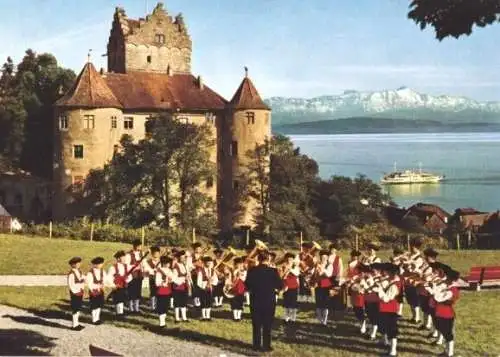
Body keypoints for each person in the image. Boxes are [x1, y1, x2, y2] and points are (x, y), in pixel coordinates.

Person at [245, 251, 282, 352]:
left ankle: (256, 345)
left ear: (258, 259)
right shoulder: (273, 271)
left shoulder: (252, 270)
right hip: (269, 300)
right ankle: (267, 346)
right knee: (267, 324)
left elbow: (247, 285)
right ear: (268, 259)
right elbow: (280, 285)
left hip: (255, 299)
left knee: (256, 324)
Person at [434, 269, 460, 357]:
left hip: (446, 314)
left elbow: (438, 298)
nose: (445, 278)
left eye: (447, 277)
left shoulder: (451, 291)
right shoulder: (447, 287)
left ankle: (450, 353)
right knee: (444, 332)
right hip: (441, 313)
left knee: (448, 334)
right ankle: (447, 351)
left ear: (451, 279)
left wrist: (435, 288)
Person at [377, 263, 401, 357]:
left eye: (388, 272)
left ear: (392, 273)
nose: (385, 274)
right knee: (388, 329)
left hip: (390, 310)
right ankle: (390, 348)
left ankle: (393, 351)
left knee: (392, 330)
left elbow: (386, 299)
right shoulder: (392, 282)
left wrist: (379, 289)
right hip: (387, 309)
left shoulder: (394, 285)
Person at [107, 250, 129, 317]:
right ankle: (119, 313)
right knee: (118, 299)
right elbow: (109, 277)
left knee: (122, 299)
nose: (125, 259)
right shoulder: (113, 267)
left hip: (124, 285)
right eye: (123, 257)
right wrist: (113, 285)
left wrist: (127, 280)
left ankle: (120, 312)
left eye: (125, 257)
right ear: (118, 258)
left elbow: (129, 275)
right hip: (117, 286)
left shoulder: (126, 266)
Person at [314, 250, 333, 326]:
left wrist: (322, 269)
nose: (324, 258)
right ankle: (319, 318)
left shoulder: (329, 265)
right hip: (318, 284)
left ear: (327, 257)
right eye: (322, 257)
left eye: (325, 257)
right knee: (318, 302)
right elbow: (314, 273)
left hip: (326, 283)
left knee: (325, 303)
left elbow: (329, 274)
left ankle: (324, 321)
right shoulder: (317, 264)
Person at [197, 256, 218, 321]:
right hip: (203, 289)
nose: (209, 264)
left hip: (210, 288)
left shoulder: (212, 271)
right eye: (207, 263)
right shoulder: (201, 271)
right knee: (203, 302)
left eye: (210, 263)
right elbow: (199, 281)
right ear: (204, 263)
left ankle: (208, 316)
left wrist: (212, 282)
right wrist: (205, 286)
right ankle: (204, 316)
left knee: (209, 302)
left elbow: (216, 279)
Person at [126, 239, 144, 314]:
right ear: (134, 246)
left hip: (139, 275)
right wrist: (134, 266)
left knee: (137, 291)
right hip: (132, 275)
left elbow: (143, 263)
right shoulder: (128, 254)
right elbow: (126, 265)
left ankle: (136, 308)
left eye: (140, 246)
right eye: (138, 246)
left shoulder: (141, 254)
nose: (139, 247)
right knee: (131, 291)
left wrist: (142, 268)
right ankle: (131, 308)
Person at [155, 256, 174, 328]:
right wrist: (163, 283)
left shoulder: (169, 270)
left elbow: (172, 279)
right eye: (167, 263)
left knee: (166, 306)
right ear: (164, 263)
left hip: (168, 291)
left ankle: (163, 322)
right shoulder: (159, 271)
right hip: (161, 291)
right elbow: (157, 282)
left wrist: (170, 280)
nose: (169, 264)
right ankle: (161, 323)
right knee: (161, 306)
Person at [281, 253, 300, 323]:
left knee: (293, 303)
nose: (289, 260)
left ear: (293, 260)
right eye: (288, 259)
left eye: (291, 259)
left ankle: (293, 318)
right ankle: (286, 318)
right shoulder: (284, 266)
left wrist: (290, 269)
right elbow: (282, 277)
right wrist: (285, 271)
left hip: (294, 287)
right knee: (286, 303)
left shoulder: (295, 267)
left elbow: (297, 273)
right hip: (286, 287)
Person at [172, 250, 190, 323]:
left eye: (184, 257)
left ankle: (184, 317)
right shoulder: (175, 267)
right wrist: (183, 279)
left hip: (184, 286)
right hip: (177, 287)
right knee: (177, 303)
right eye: (182, 258)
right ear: (178, 258)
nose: (183, 259)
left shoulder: (185, 266)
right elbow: (174, 278)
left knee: (183, 302)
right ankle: (177, 318)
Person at [67, 257, 85, 331]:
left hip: (80, 292)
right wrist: (76, 291)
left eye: (79, 263)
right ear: (73, 264)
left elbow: (82, 279)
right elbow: (71, 285)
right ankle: (74, 325)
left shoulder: (79, 271)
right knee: (75, 309)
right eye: (77, 263)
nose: (79, 264)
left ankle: (77, 323)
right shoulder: (71, 274)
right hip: (75, 293)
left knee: (78, 308)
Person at [87, 256, 105, 325]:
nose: (101, 265)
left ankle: (97, 318)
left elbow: (106, 279)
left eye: (101, 264)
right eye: (100, 264)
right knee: (94, 306)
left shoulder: (102, 271)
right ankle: (94, 319)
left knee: (99, 305)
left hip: (100, 291)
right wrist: (98, 286)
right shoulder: (90, 273)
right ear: (96, 264)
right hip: (94, 292)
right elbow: (90, 284)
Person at [143, 246, 161, 312]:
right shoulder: (148, 262)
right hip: (152, 279)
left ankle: (158, 306)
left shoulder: (161, 261)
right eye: (154, 253)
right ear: (152, 254)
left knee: (159, 293)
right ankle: (153, 307)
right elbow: (146, 269)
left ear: (159, 254)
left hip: (159, 280)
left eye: (157, 253)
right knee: (153, 292)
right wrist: (152, 271)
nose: (156, 254)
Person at [230, 257, 247, 321]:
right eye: (238, 264)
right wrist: (236, 275)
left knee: (240, 303)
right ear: (235, 264)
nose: (239, 265)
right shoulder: (233, 270)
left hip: (241, 288)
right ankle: (235, 316)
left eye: (241, 264)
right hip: (234, 288)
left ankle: (238, 317)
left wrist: (240, 274)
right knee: (234, 302)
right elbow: (232, 279)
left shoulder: (244, 271)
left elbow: (244, 279)